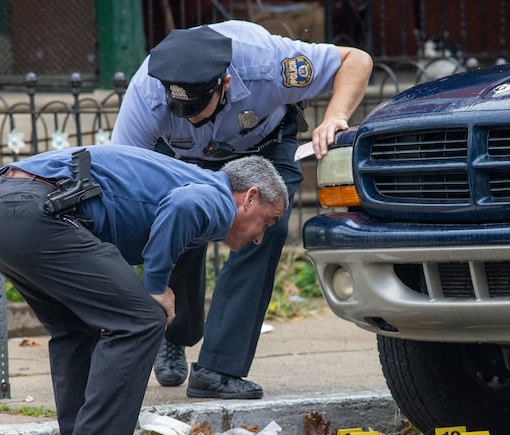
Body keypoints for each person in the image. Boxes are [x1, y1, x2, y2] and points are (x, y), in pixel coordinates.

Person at [0, 145, 287, 435]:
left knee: (76, 328)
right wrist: (155, 285)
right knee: (143, 318)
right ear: (250, 197)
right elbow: (183, 207)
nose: (259, 238)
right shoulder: (219, 198)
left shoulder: (190, 178)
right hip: (33, 210)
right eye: (268, 221)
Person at [112, 20, 373, 398]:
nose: (191, 117)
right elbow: (125, 177)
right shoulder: (147, 92)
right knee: (173, 219)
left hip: (262, 144)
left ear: (226, 84)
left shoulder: (269, 64)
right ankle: (176, 331)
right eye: (180, 108)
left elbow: (355, 59)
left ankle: (218, 369)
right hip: (182, 158)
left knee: (265, 228)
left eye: (198, 108)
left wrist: (334, 116)